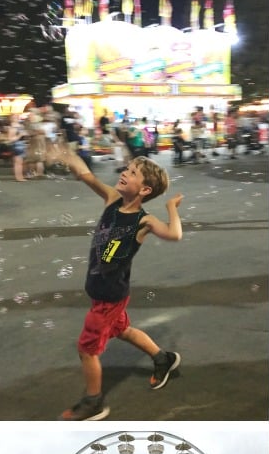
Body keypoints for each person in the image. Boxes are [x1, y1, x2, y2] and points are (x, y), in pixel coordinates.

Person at [47, 144, 183, 420]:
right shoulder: (111, 199)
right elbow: (88, 177)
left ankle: (94, 402)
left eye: (132, 173)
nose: (124, 173)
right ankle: (163, 358)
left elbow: (174, 235)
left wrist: (171, 208)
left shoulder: (145, 221)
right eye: (127, 169)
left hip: (109, 297)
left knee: (86, 349)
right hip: (103, 290)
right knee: (123, 330)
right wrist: (69, 158)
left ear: (144, 190)